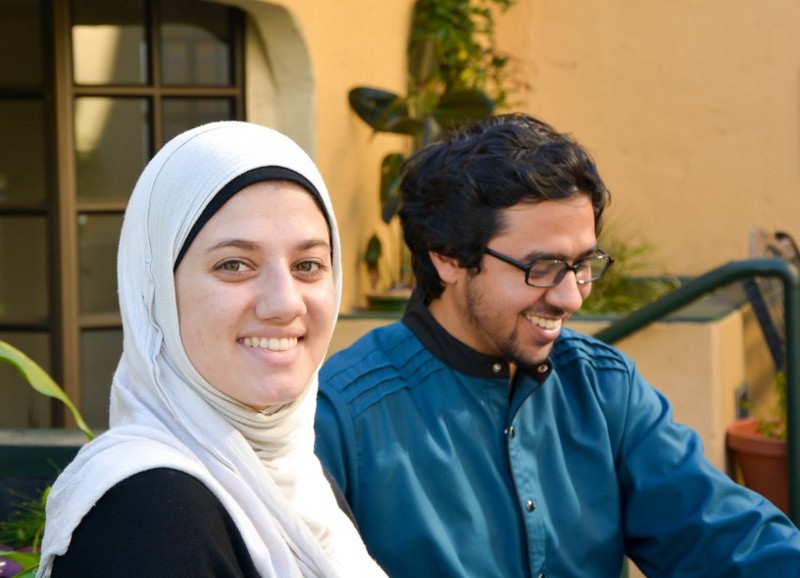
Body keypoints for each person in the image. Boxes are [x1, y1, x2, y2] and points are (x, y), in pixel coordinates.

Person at [314, 113, 800, 577]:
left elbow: (725, 538)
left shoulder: (606, 387)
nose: (571, 297)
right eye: (540, 268)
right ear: (448, 258)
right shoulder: (339, 418)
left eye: (583, 264)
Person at [37, 122, 387, 578]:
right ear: (155, 290)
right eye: (234, 265)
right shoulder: (149, 516)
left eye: (308, 265)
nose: (284, 303)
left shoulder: (295, 479)